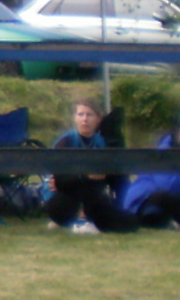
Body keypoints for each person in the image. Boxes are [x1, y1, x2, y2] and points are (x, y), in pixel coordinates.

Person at [45, 99, 137, 234]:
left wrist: (104, 175)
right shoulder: (66, 141)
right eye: (80, 114)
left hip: (91, 195)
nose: (85, 119)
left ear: (99, 119)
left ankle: (102, 218)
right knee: (87, 185)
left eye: (89, 115)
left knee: (103, 190)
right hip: (62, 198)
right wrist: (85, 175)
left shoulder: (102, 143)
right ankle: (81, 219)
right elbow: (60, 181)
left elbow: (109, 176)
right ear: (75, 118)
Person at [120, 118, 180, 229]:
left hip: (160, 207)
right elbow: (168, 185)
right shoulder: (164, 151)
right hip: (142, 205)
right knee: (163, 197)